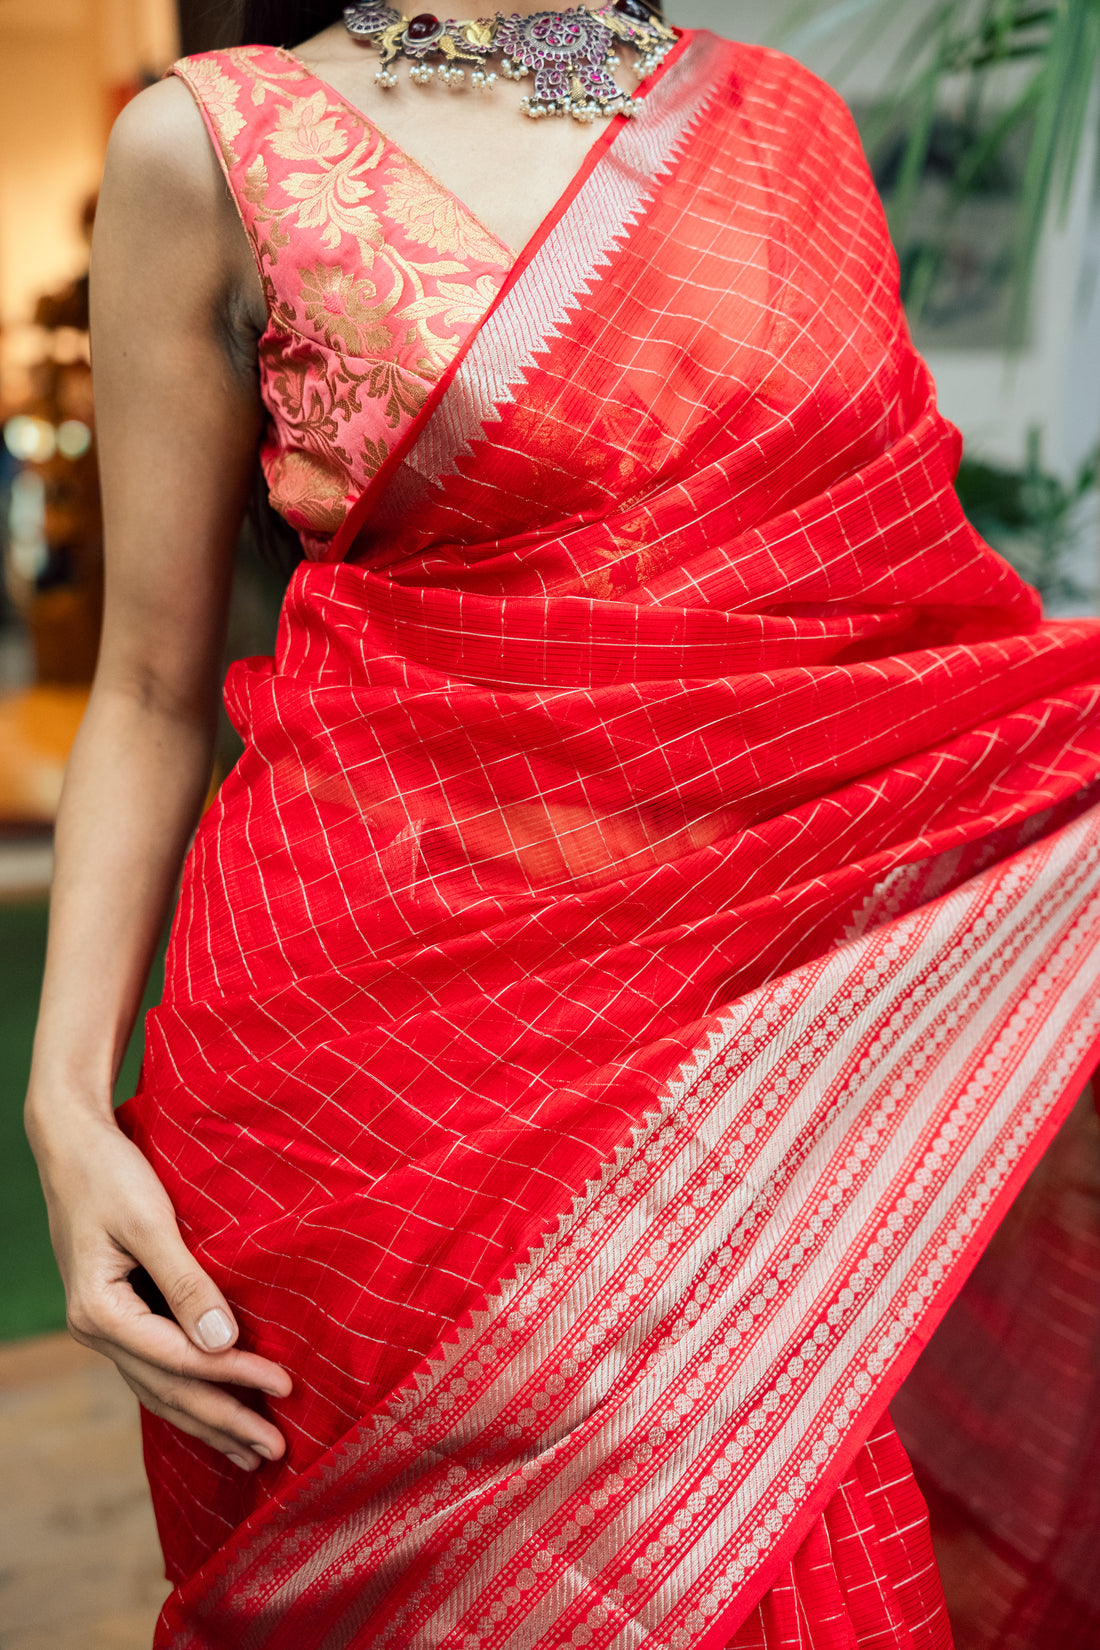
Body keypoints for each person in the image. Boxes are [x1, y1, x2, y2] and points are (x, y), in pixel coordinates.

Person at [24, 1, 1100, 1645]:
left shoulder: (783, 126)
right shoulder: (214, 144)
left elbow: (900, 630)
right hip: (359, 1100)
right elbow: (154, 685)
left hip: (734, 1083)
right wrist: (64, 1107)